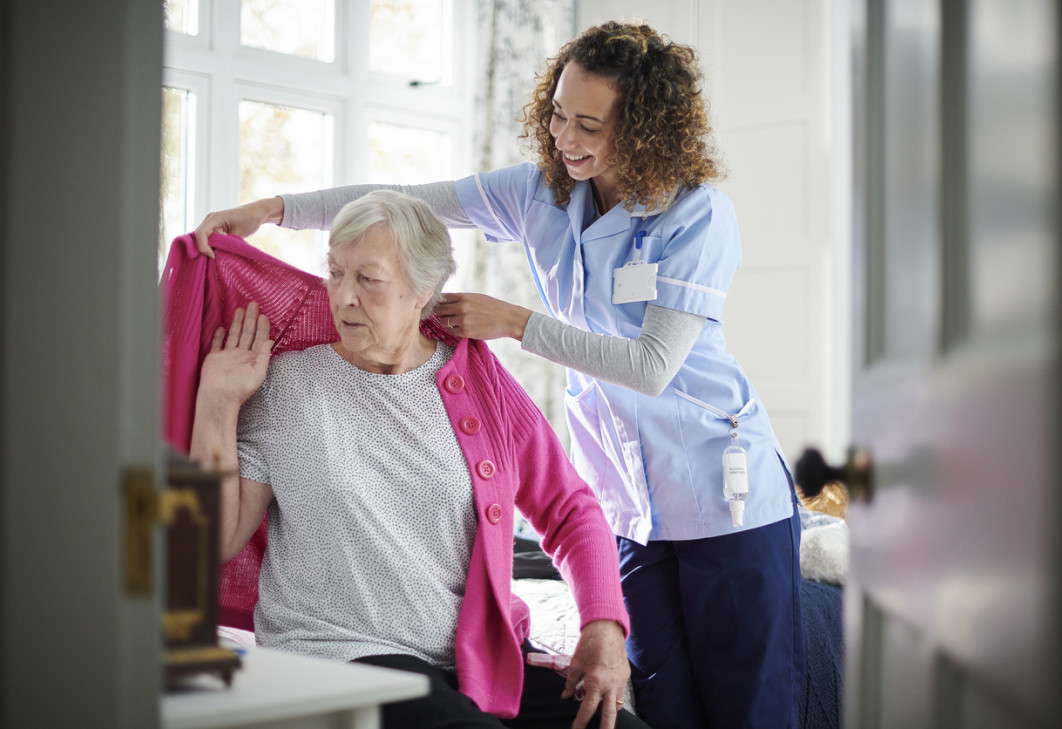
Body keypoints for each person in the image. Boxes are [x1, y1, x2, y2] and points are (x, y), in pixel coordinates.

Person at [193, 21, 804, 729]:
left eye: (588, 124)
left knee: (750, 707)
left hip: (722, 488)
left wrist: (514, 322)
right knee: (665, 705)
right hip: (632, 500)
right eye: (556, 114)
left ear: (641, 129)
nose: (565, 137)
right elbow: (405, 197)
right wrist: (274, 209)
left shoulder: (696, 215)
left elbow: (651, 367)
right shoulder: (540, 193)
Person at [187, 190, 649, 729]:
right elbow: (213, 540)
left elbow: (570, 506)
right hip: (341, 656)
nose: (343, 297)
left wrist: (603, 626)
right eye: (335, 272)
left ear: (423, 290)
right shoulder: (289, 386)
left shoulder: (478, 380)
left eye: (369, 279)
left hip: (473, 664)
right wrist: (216, 404)